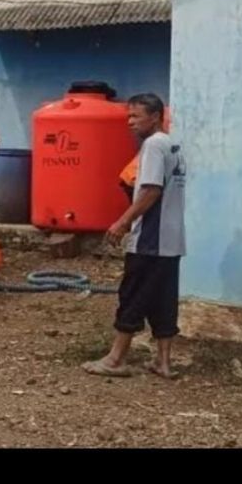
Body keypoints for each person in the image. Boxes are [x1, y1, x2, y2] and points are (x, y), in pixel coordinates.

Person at [83, 94, 186, 379]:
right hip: (173, 239)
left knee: (133, 295)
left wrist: (123, 221)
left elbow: (151, 190)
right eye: (128, 117)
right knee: (164, 299)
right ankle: (163, 362)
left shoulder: (153, 146)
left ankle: (115, 359)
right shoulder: (172, 144)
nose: (130, 122)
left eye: (135, 117)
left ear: (154, 117)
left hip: (150, 240)